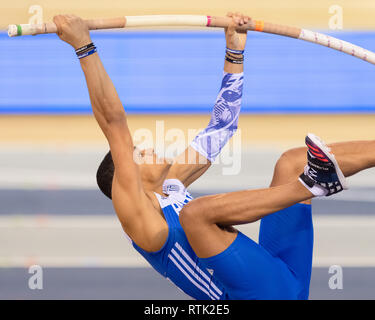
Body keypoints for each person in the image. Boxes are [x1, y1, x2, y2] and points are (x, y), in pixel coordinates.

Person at [53, 12, 370, 300]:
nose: (147, 147)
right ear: (126, 176)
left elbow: (222, 126)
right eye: (138, 153)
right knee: (196, 215)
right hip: (255, 296)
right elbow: (114, 124)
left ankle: (311, 178)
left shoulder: (173, 185)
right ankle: (313, 183)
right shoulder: (141, 217)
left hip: (281, 276)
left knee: (291, 162)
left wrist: (234, 52)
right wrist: (83, 46)